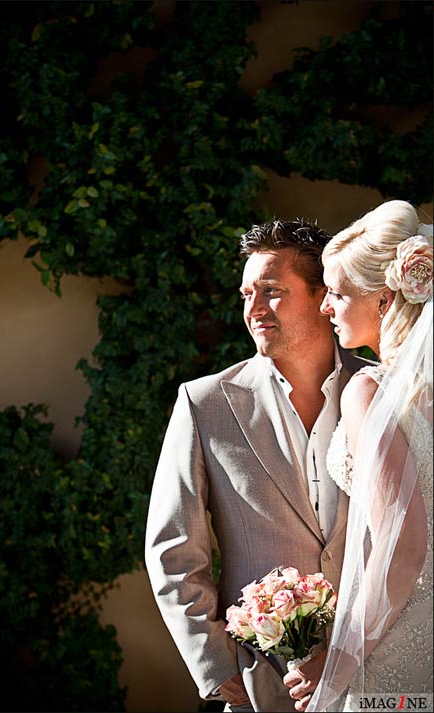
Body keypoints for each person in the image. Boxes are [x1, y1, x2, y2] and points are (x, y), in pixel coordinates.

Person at [145, 218, 369, 712]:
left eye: (270, 291)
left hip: (376, 675)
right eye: (247, 294)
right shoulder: (205, 403)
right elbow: (173, 550)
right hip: (259, 686)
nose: (253, 309)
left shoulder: (382, 391)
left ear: (322, 294)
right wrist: (216, 667)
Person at [284, 200, 433, 712]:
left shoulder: (370, 391)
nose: (326, 307)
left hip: (400, 651)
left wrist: (340, 660)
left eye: (339, 293)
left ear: (387, 299)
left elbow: (405, 547)